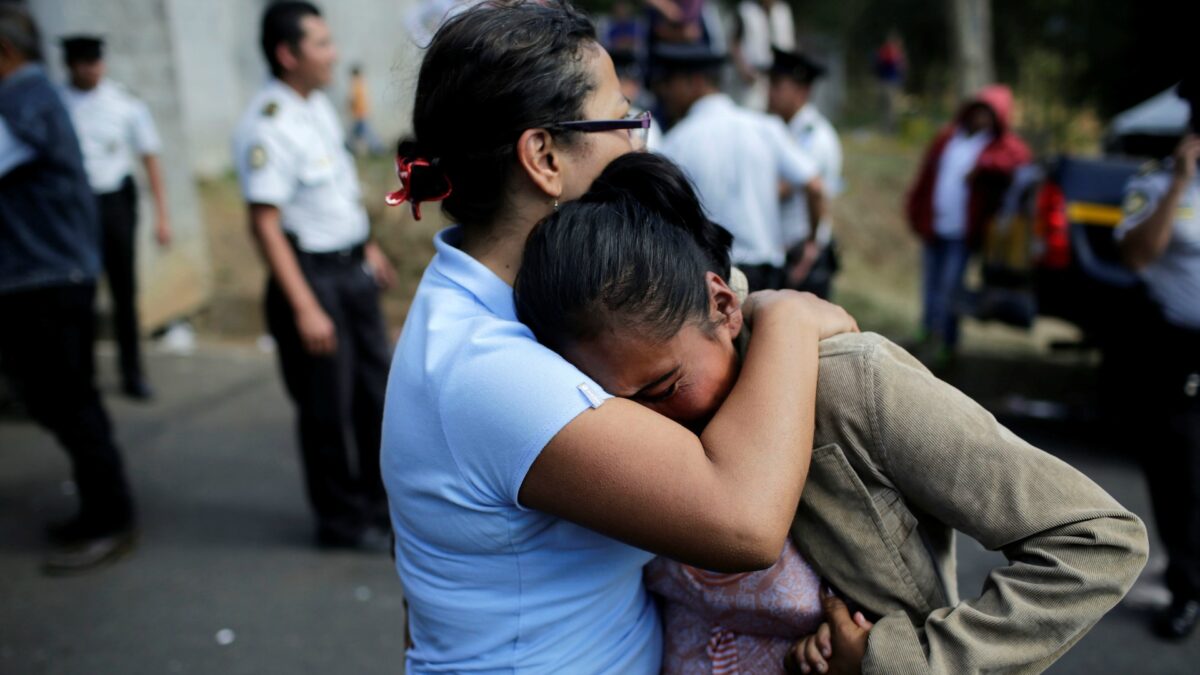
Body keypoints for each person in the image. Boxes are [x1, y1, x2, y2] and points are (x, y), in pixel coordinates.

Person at [515, 151, 1149, 675]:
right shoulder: (597, 422)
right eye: (609, 402)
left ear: (723, 306)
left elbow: (1095, 541)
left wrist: (902, 661)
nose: (641, 421)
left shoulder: (850, 386)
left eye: (662, 388)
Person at [380, 2, 856, 672]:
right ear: (544, 156)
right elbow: (745, 519)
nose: (641, 144)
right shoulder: (489, 366)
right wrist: (790, 318)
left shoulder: (500, 306)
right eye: (625, 122)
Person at [233, 1, 396, 552]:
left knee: (376, 394)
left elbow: (337, 194)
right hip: (312, 278)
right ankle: (341, 522)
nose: (333, 54)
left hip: (351, 268)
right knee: (327, 407)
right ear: (287, 54)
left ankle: (380, 505)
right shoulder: (267, 123)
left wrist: (369, 247)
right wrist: (304, 304)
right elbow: (265, 223)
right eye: (321, 44)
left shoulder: (318, 107)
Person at [0, 6, 138, 573]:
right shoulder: (34, 95)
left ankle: (109, 519)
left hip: (47, 279)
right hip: (46, 275)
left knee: (68, 399)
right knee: (56, 397)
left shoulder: (24, 95)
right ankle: (100, 514)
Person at [1115, 76, 1200, 640]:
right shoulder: (1158, 182)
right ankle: (1188, 590)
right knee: (1181, 471)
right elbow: (1137, 255)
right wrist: (1179, 185)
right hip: (1178, 344)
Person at [654, 42, 824, 292]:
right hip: (766, 274)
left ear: (695, 81)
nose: (664, 91)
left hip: (711, 279)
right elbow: (816, 187)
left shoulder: (676, 142)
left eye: (671, 82)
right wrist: (811, 243)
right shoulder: (765, 128)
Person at [60, 35, 171, 400]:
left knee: (125, 292)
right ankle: (83, 378)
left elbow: (149, 156)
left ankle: (133, 373)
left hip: (116, 203)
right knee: (80, 295)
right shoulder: (57, 104)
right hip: (77, 205)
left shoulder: (123, 103)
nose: (92, 69)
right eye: (84, 63)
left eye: (96, 62)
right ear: (71, 65)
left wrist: (162, 217)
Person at [905, 85, 1030, 363]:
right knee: (931, 285)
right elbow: (926, 176)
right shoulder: (949, 138)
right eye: (978, 112)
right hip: (935, 225)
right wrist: (915, 209)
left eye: (988, 114)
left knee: (951, 287)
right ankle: (927, 331)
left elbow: (1018, 158)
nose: (980, 119)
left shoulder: (997, 145)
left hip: (962, 232)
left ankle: (947, 342)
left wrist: (984, 164)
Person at [767, 47, 842, 299]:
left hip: (805, 256)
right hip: (786, 251)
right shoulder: (780, 130)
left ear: (802, 91)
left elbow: (786, 188)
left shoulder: (815, 136)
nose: (770, 93)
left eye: (778, 85)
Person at [730, 0, 794, 111]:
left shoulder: (783, 11)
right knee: (751, 110)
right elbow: (734, 43)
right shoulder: (747, 11)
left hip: (778, 76)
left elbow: (790, 43)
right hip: (754, 75)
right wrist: (744, 69)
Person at [346, 63, 384, 155]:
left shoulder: (355, 83)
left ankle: (378, 148)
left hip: (359, 113)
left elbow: (353, 98)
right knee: (357, 133)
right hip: (362, 112)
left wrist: (348, 105)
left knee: (367, 133)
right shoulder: (362, 83)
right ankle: (347, 147)